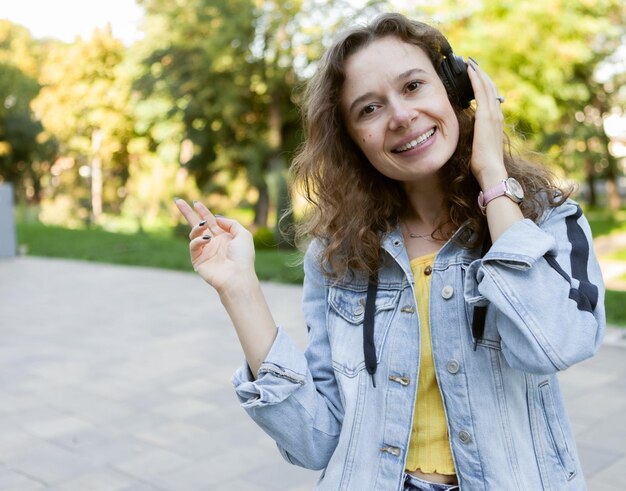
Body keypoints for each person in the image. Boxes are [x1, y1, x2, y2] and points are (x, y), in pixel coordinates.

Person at [174, 12, 605, 491]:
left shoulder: (546, 220)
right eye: (369, 109)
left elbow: (558, 343)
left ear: (458, 91)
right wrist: (240, 290)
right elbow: (314, 442)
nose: (400, 116)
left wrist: (492, 180)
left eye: (414, 86)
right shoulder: (337, 254)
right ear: (352, 139)